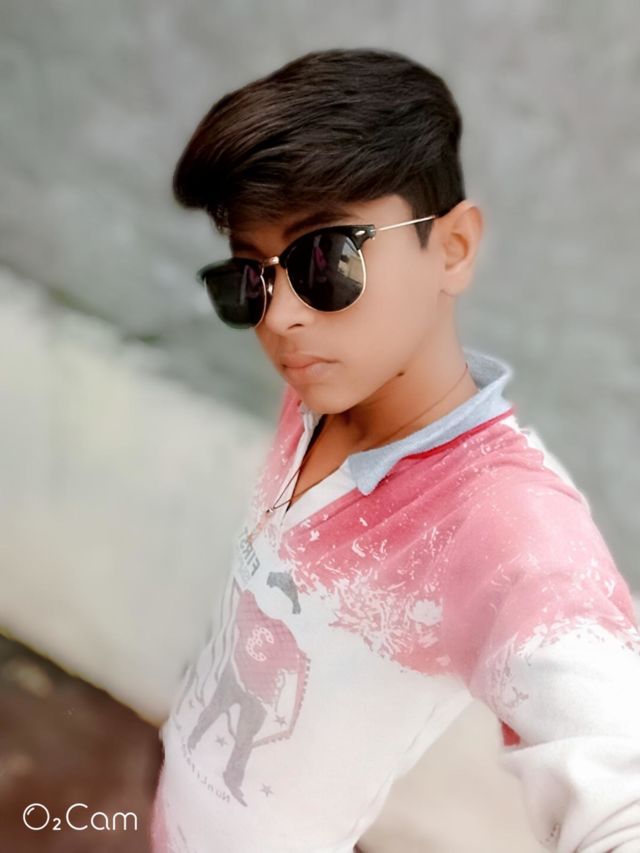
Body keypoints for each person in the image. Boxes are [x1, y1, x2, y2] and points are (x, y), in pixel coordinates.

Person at [149, 47, 640, 853]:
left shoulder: (505, 526)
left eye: (325, 259)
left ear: (453, 248)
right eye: (249, 280)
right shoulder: (320, 393)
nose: (280, 318)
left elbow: (620, 790)